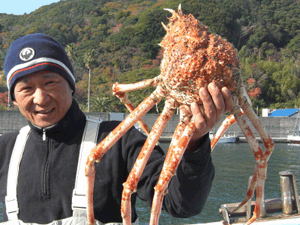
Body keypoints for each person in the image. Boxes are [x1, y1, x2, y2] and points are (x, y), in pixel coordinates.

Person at [0, 33, 233, 224]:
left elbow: (180, 204)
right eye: (26, 88)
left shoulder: (120, 139)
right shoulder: (5, 150)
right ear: (14, 98)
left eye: (50, 82)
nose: (40, 98)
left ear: (71, 85)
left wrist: (194, 143)